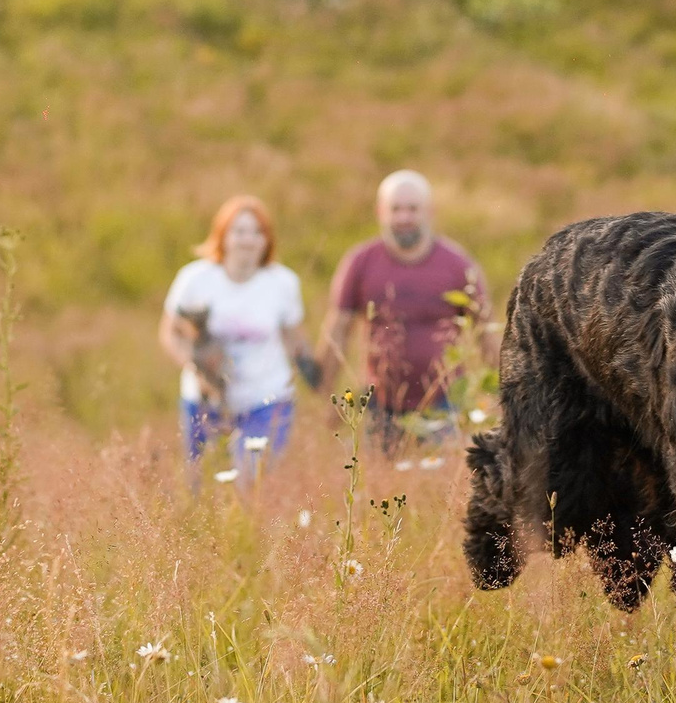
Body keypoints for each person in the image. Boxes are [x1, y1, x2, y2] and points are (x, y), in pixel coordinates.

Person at [319, 170, 497, 453]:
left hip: (444, 405)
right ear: (381, 212)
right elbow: (337, 331)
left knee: (440, 489)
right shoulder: (360, 262)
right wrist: (326, 394)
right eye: (395, 209)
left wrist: (499, 396)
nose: (403, 217)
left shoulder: (457, 264)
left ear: (429, 212)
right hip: (380, 405)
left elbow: (486, 332)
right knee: (381, 491)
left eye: (412, 209)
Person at [158, 195, 315, 485]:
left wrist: (316, 376)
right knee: (201, 483)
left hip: (266, 396)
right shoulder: (195, 279)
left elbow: (295, 337)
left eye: (257, 232)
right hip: (206, 398)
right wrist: (197, 368)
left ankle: (250, 530)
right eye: (240, 231)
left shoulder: (282, 283)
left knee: (250, 481)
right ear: (223, 236)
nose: (248, 240)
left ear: (267, 240)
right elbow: (170, 332)